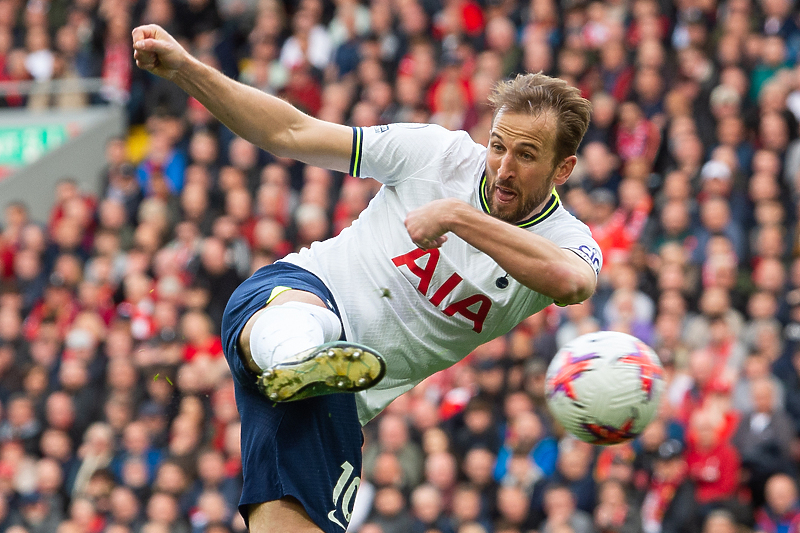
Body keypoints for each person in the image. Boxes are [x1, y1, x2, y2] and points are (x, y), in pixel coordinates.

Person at [132, 23, 601, 533]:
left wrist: (457, 217)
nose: (502, 168)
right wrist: (186, 69)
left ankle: (300, 369)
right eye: (497, 146)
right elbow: (289, 132)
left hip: (339, 406)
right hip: (298, 294)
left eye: (526, 155)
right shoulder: (434, 153)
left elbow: (573, 283)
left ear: (563, 168)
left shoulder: (566, 239)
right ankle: (296, 357)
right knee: (309, 322)